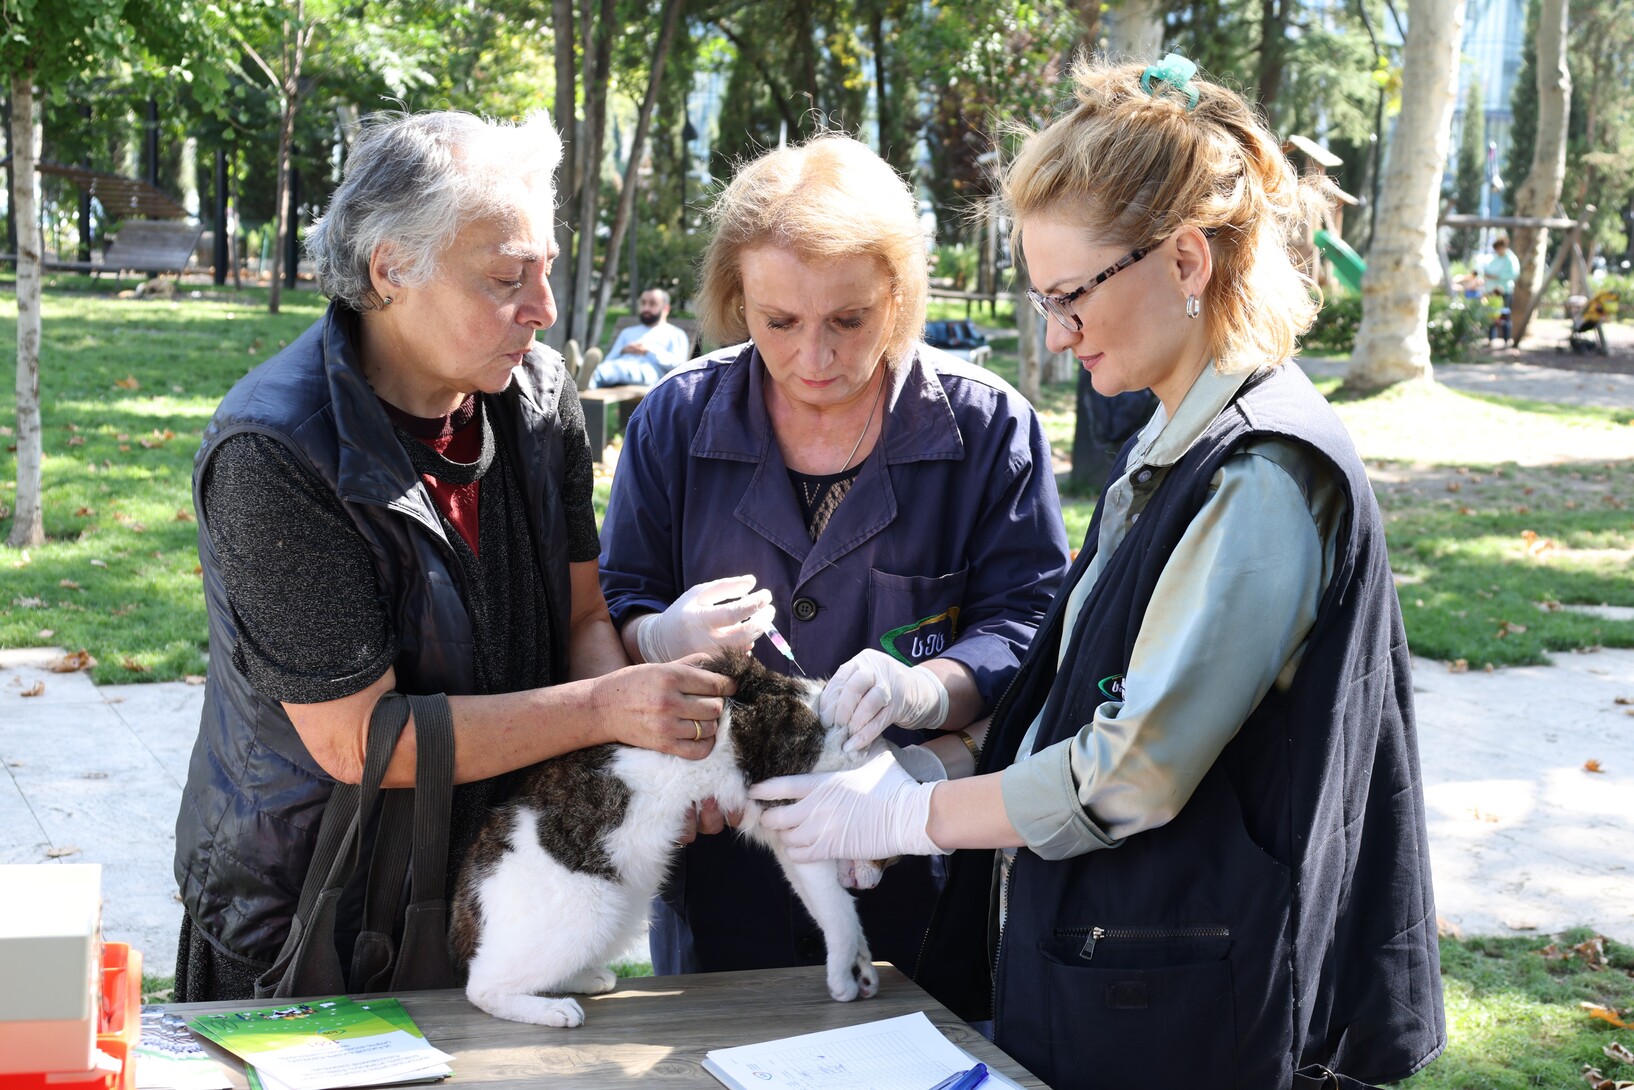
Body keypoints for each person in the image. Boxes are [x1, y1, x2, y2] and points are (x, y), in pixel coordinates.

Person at [749, 55, 1446, 1090]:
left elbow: (1129, 771)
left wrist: (907, 817)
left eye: (1070, 294)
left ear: (1183, 261)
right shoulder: (1176, 437)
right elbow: (1081, 693)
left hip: (1204, 1014)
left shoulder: (1259, 473)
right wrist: (924, 766)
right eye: (1042, 297)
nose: (1056, 329)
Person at [173, 110, 732, 1002]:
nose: (543, 309)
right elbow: (363, 739)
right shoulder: (273, 452)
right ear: (390, 268)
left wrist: (634, 756)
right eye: (508, 277)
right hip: (321, 920)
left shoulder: (539, 397)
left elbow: (584, 614)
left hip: (511, 894)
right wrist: (608, 708)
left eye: (545, 269)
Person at [598, 134, 1071, 984]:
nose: (814, 359)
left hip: (908, 848)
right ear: (735, 298)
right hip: (720, 863)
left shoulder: (988, 428)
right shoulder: (672, 421)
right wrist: (657, 638)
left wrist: (931, 687)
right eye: (779, 322)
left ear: (898, 296)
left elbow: (1030, 620)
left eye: (848, 321)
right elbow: (614, 602)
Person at [588, 287, 693, 387]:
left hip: (650, 373)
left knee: (618, 369)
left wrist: (648, 351)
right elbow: (609, 360)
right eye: (643, 303)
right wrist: (623, 350)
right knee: (611, 370)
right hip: (617, 370)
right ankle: (586, 380)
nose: (646, 308)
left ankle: (587, 376)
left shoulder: (676, 334)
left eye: (652, 304)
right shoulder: (627, 332)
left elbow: (679, 366)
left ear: (665, 308)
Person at [1481, 237, 1520, 343]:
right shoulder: (1494, 258)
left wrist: (1497, 276)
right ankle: (1491, 339)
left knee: (1505, 315)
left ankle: (1507, 340)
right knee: (1492, 315)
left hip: (1505, 291)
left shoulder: (1510, 258)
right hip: (1492, 291)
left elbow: (1514, 274)